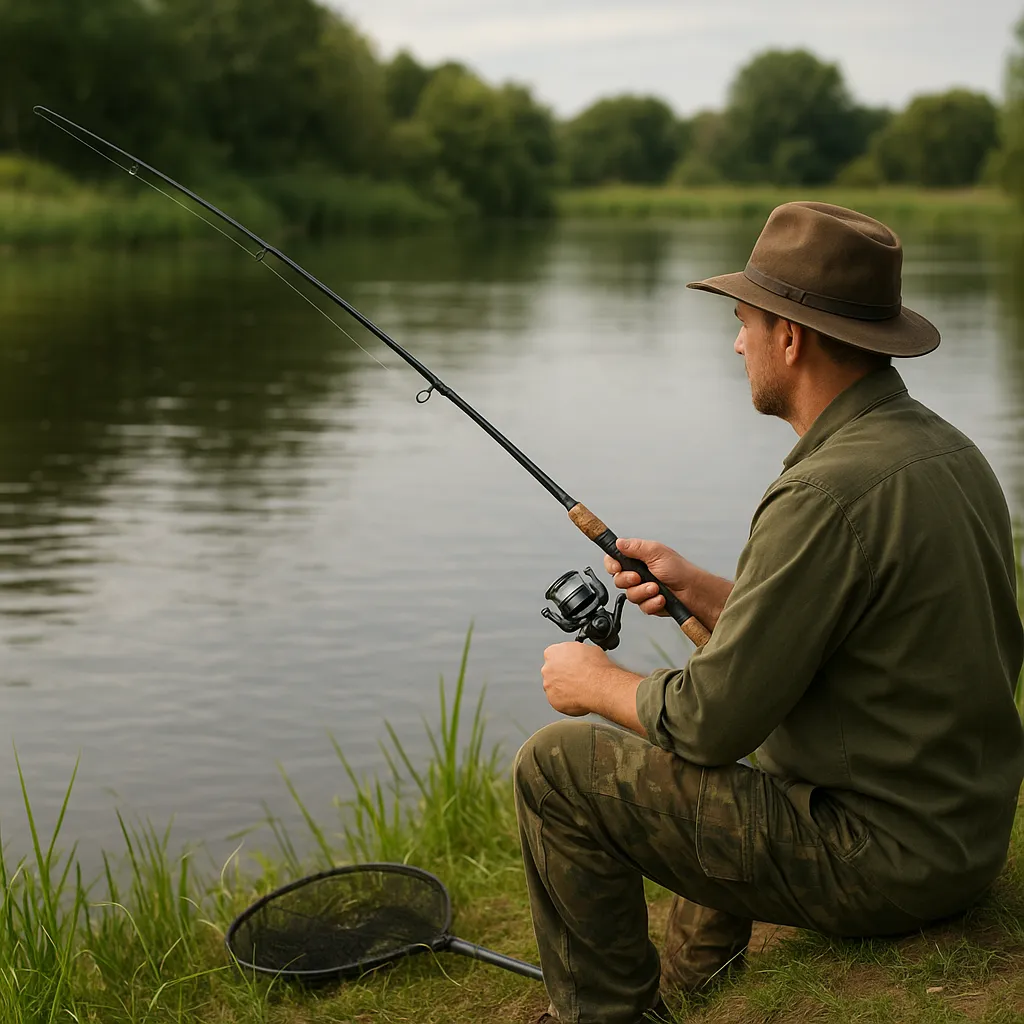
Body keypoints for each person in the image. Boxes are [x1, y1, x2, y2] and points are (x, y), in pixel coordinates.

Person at [514, 202, 1024, 1024]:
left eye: (746, 321)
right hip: (961, 838)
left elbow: (713, 722)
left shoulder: (822, 492)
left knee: (555, 766)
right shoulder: (945, 451)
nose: (737, 341)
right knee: (726, 740)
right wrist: (701, 586)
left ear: (791, 338)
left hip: (885, 864)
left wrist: (596, 683)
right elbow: (840, 631)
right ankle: (695, 985)